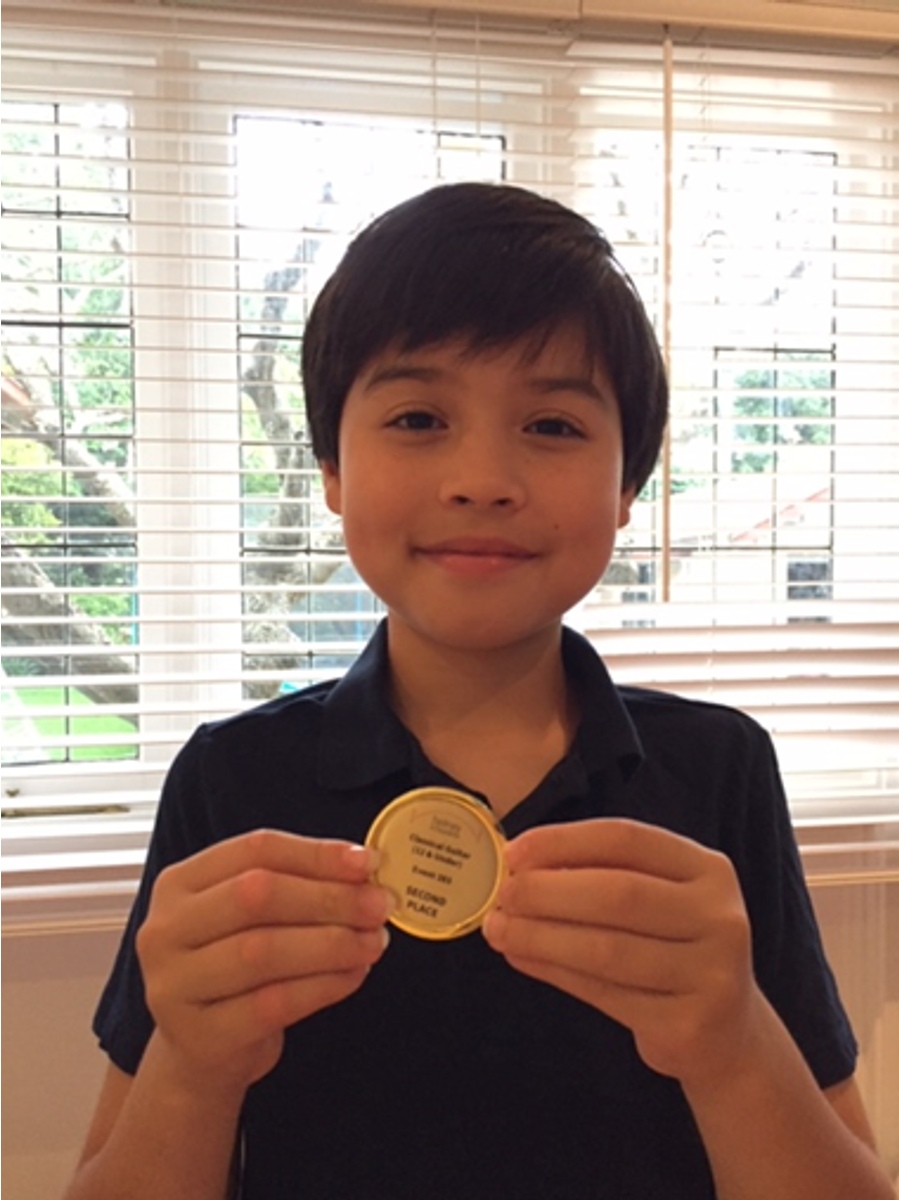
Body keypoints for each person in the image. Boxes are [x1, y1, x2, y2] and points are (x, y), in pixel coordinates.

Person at [65, 183, 892, 1200]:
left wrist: (732, 1046)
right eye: (418, 417)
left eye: (551, 424)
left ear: (627, 487)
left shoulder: (716, 769)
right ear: (331, 469)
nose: (482, 477)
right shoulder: (233, 780)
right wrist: (192, 1067)